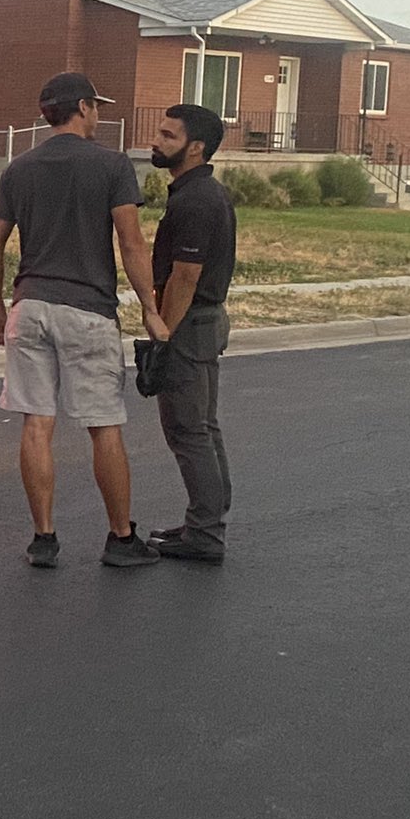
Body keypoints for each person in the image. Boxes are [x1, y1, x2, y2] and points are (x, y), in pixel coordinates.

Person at [0, 73, 169, 569]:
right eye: (96, 107)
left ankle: (43, 538)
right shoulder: (111, 166)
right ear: (83, 108)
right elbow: (131, 242)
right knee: (103, 426)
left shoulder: (19, 169)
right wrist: (150, 309)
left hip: (31, 306)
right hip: (87, 312)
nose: (99, 115)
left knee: (36, 423)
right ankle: (120, 538)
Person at [145, 103, 237, 563]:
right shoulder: (199, 193)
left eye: (167, 135)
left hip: (191, 323)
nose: (156, 140)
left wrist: (162, 330)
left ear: (195, 147)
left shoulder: (197, 200)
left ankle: (205, 533)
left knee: (187, 428)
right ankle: (206, 519)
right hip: (204, 321)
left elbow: (185, 276)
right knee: (202, 424)